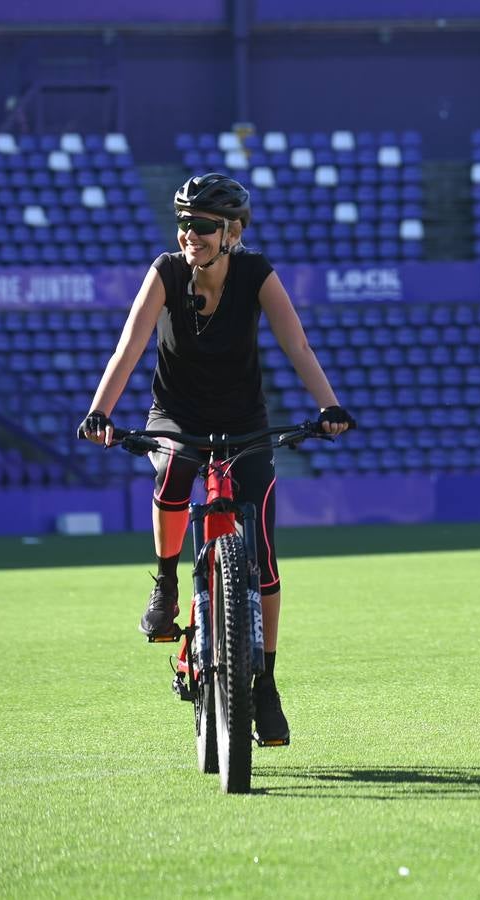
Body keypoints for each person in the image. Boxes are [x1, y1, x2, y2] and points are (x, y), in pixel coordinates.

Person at [77, 172, 355, 745]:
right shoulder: (166, 272)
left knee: (267, 558)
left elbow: (296, 344)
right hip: (176, 416)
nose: (189, 235)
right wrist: (101, 410)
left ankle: (267, 686)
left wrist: (328, 406)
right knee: (176, 465)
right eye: (183, 223)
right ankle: (166, 584)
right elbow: (129, 345)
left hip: (243, 423)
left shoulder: (257, 274)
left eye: (202, 226)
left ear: (232, 232)